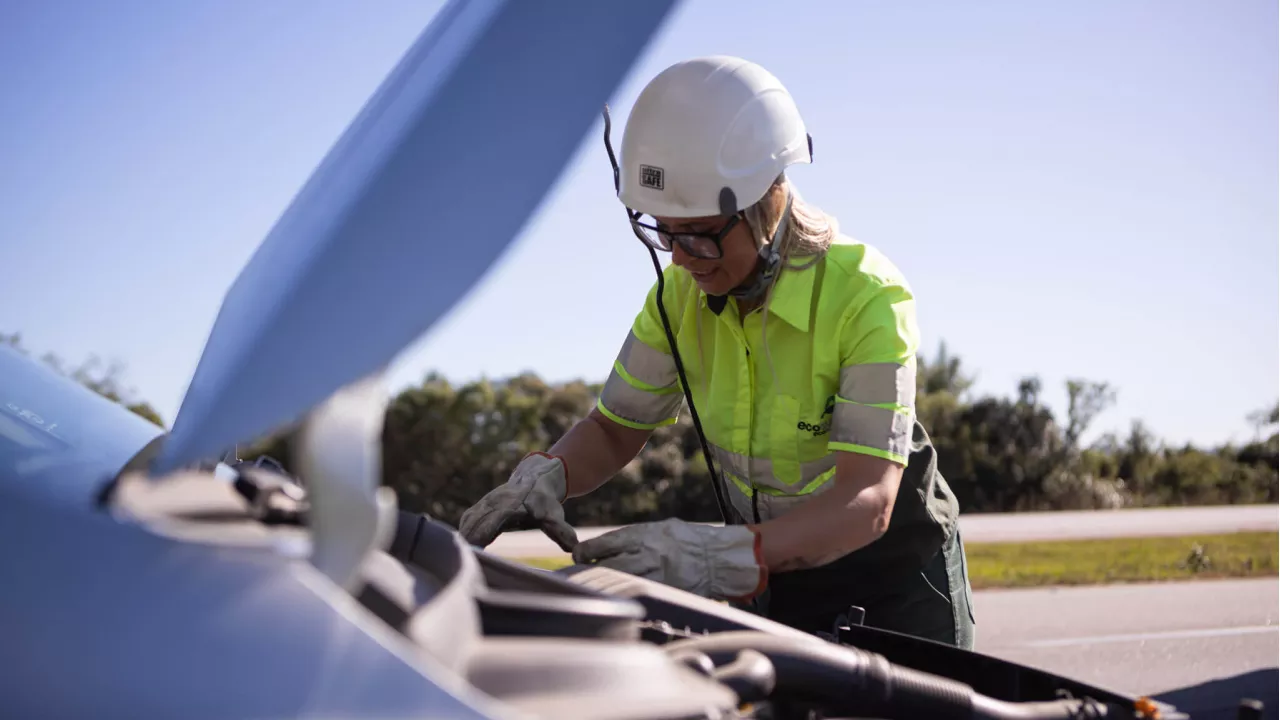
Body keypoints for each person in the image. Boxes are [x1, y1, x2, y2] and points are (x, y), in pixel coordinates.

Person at [458, 55, 975, 649]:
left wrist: (718, 553)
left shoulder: (867, 295)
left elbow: (867, 501)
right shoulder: (677, 294)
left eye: (699, 232)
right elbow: (613, 428)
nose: (680, 257)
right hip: (769, 571)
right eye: (662, 231)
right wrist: (550, 473)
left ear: (770, 197)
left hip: (894, 582)